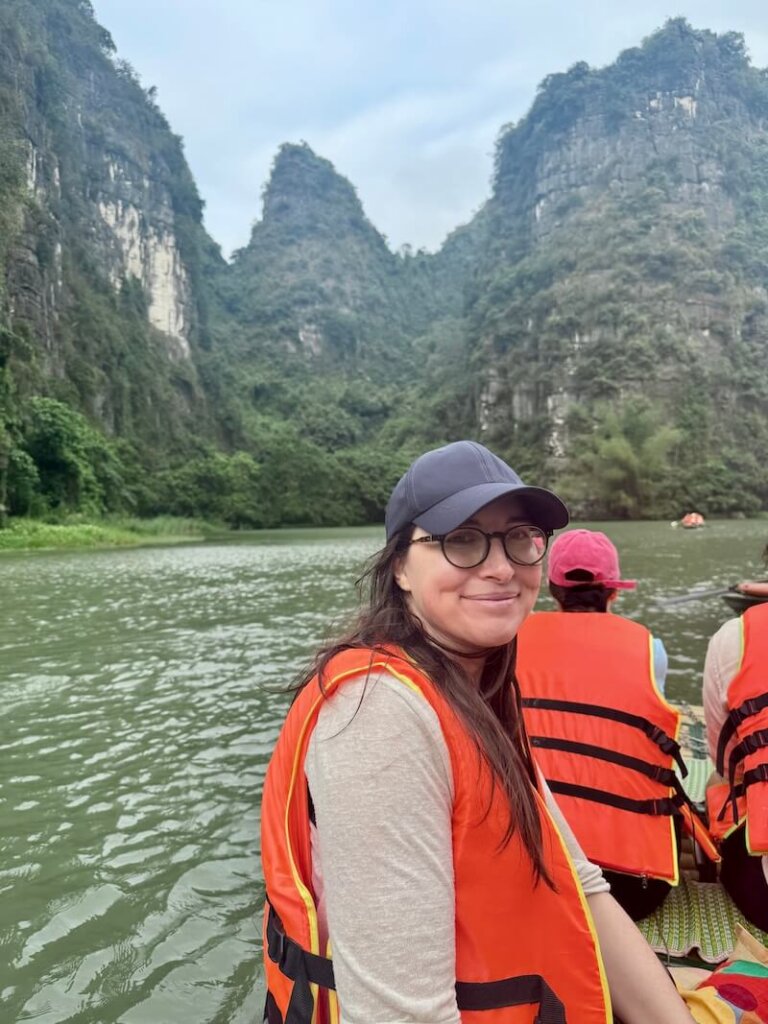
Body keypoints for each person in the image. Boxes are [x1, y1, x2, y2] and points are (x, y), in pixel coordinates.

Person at [260, 441, 695, 1024]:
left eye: (520, 538)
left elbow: (586, 889)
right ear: (399, 566)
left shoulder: (476, 689)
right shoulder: (378, 714)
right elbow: (402, 1015)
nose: (501, 566)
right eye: (461, 539)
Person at [515, 529, 702, 923]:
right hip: (632, 891)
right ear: (614, 592)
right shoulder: (651, 649)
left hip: (533, 875)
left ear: (552, 590)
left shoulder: (510, 640)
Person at [703, 601, 768, 931]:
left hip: (764, 896)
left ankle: (711, 863)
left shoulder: (735, 639)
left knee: (716, 781)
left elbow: (726, 765)